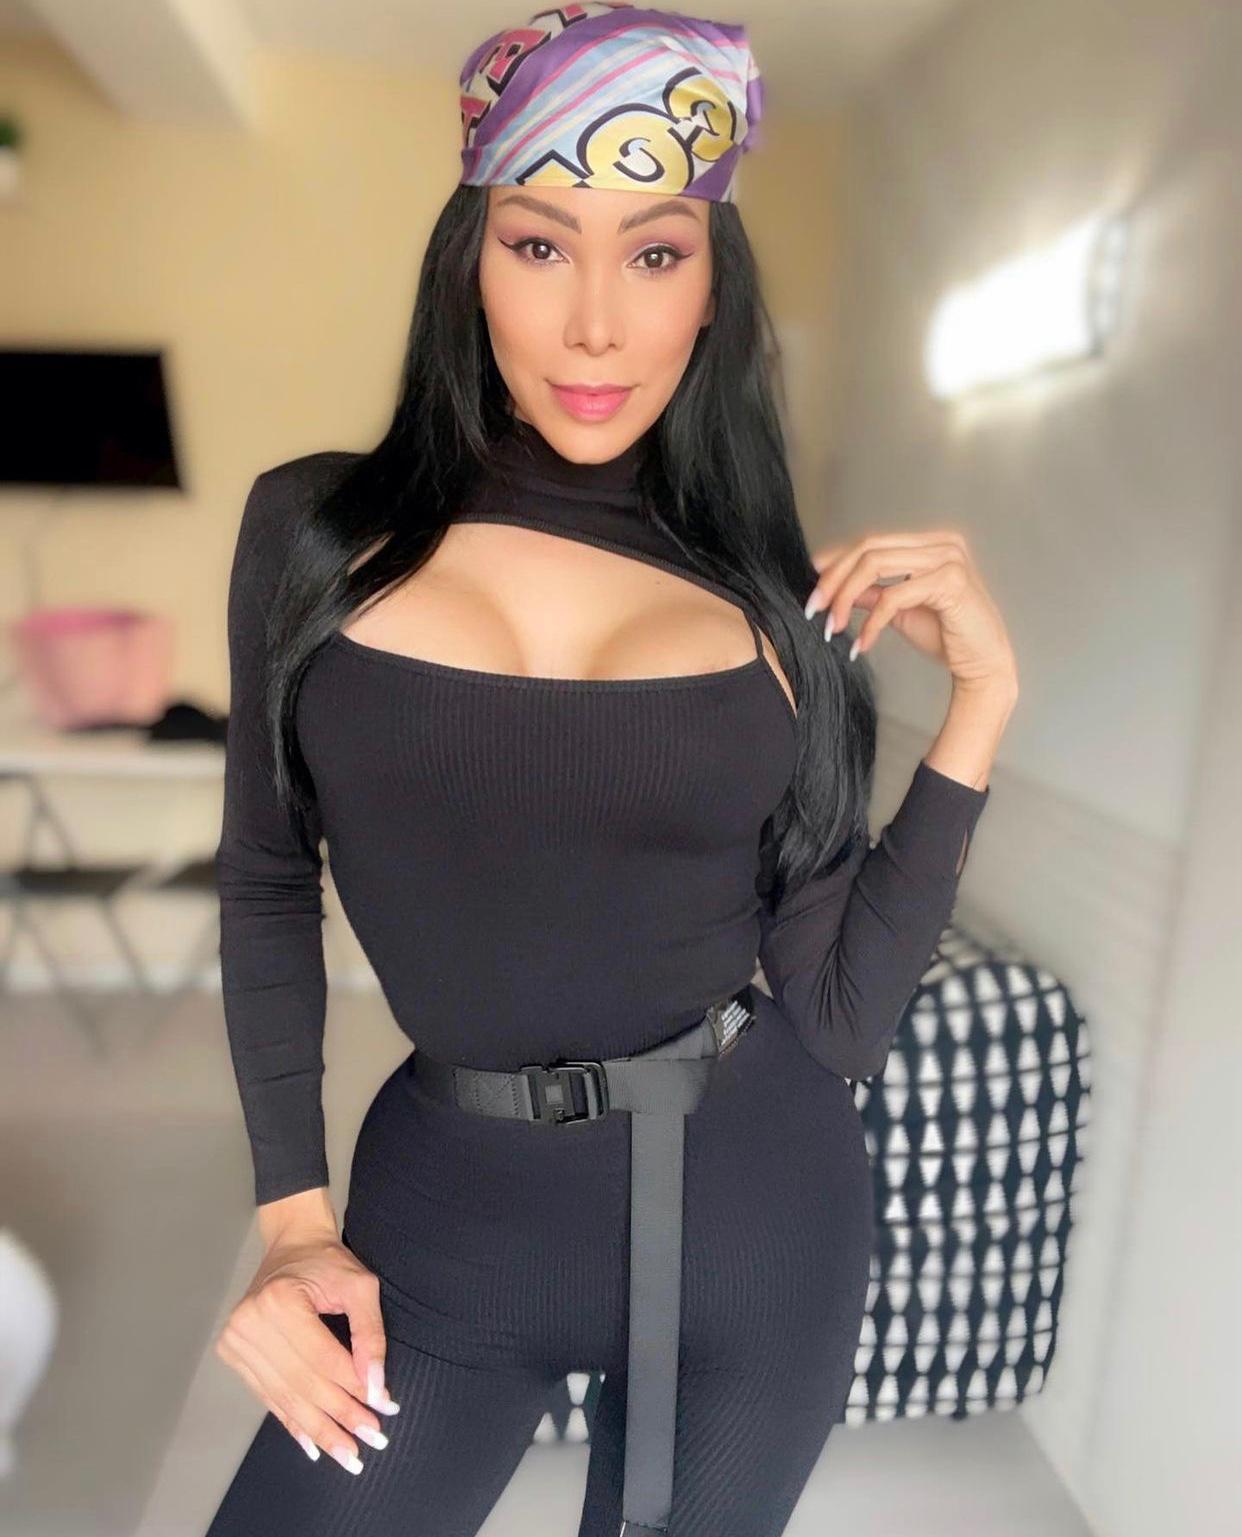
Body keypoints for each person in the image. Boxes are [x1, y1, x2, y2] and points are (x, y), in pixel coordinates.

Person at [204, 4, 1019, 1534]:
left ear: (711, 289)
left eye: (653, 253)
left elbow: (839, 1015)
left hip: (755, 1217)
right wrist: (293, 1220)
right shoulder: (312, 533)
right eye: (538, 244)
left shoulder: (769, 599)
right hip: (447, 1216)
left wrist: (981, 699)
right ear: (468, 262)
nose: (595, 325)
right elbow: (263, 878)